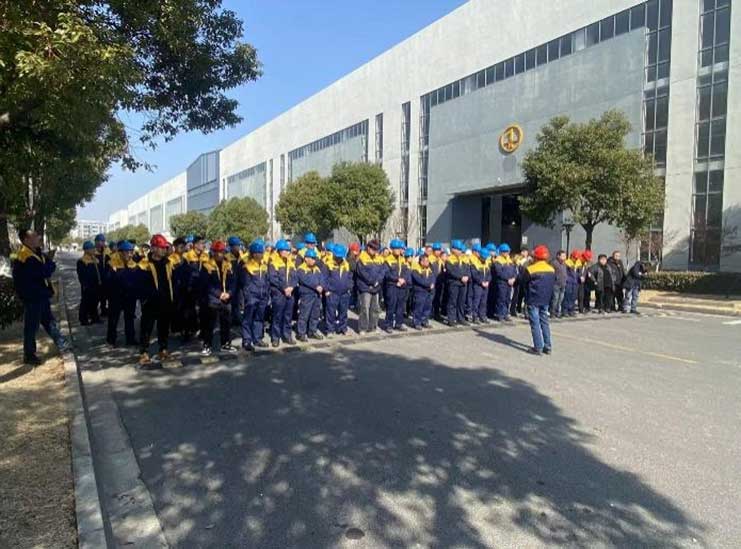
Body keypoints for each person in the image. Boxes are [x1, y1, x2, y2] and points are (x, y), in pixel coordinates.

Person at [12, 229, 69, 365]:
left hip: (41, 295)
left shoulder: (37, 253)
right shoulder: (24, 256)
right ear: (26, 240)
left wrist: (47, 267)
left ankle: (61, 343)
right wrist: (47, 267)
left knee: (49, 321)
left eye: (37, 235)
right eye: (34, 236)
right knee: (31, 327)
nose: (38, 238)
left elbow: (51, 265)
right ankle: (29, 355)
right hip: (32, 297)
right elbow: (44, 271)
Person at [135, 234, 176, 368]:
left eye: (165, 248)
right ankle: (144, 352)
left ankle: (163, 350)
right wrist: (146, 299)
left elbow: (172, 281)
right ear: (153, 248)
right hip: (150, 303)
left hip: (165, 301)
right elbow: (139, 285)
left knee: (163, 327)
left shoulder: (168, 263)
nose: (164, 250)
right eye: (161, 247)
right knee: (146, 328)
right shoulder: (144, 265)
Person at [199, 240, 236, 356]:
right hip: (213, 299)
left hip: (226, 298)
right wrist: (219, 294)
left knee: (226, 323)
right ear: (213, 252)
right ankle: (207, 345)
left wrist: (229, 293)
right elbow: (206, 284)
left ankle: (225, 344)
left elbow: (233, 282)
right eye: (217, 252)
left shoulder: (228, 265)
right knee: (209, 324)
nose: (220, 254)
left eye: (222, 252)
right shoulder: (207, 266)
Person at [521, 245, 556, 356]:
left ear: (535, 257)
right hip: (545, 299)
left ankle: (538, 347)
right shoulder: (551, 269)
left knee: (535, 323)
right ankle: (548, 346)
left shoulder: (531, 269)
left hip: (533, 299)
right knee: (544, 322)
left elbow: (523, 282)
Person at [106, 240, 138, 347]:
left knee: (129, 318)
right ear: (120, 252)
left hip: (130, 296)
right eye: (127, 252)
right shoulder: (112, 264)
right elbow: (109, 281)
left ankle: (130, 339)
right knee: (113, 319)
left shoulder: (134, 265)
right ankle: (111, 340)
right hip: (116, 296)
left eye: (131, 252)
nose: (129, 254)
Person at [239, 240, 269, 351]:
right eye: (258, 253)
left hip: (262, 296)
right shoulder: (247, 266)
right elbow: (245, 283)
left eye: (261, 253)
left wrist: (266, 294)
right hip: (252, 296)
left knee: (259, 318)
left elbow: (267, 280)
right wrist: (248, 296)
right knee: (248, 319)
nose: (260, 255)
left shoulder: (264, 265)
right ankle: (247, 340)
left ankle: (257, 339)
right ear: (253, 254)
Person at [268, 239, 297, 347]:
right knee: (277, 316)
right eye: (285, 250)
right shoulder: (273, 262)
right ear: (279, 251)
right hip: (279, 293)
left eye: (288, 250)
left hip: (290, 293)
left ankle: (287, 336)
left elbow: (295, 277)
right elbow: (273, 278)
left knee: (288, 316)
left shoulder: (290, 262)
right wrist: (284, 288)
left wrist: (291, 287)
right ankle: (275, 338)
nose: (287, 252)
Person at [295, 248, 325, 341]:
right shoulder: (301, 269)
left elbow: (322, 278)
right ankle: (301, 333)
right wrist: (316, 286)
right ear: (306, 258)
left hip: (316, 295)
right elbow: (305, 280)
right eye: (311, 258)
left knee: (315, 315)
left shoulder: (316, 269)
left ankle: (312, 331)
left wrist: (321, 286)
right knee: (304, 314)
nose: (313, 260)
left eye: (314, 258)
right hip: (307, 295)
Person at [355, 239, 384, 333]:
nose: (374, 251)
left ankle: (373, 327)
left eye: (376, 249)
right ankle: (363, 328)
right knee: (365, 308)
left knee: (375, 309)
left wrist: (378, 281)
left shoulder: (379, 258)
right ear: (368, 247)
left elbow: (382, 271)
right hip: (365, 287)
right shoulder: (362, 258)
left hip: (376, 287)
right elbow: (362, 273)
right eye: (373, 249)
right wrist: (372, 282)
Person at [325, 244, 353, 335]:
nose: (339, 259)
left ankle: (343, 328)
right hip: (332, 293)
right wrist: (327, 290)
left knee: (343, 312)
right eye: (337, 257)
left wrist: (349, 287)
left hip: (344, 293)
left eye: (341, 257)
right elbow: (324, 278)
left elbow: (350, 277)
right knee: (331, 312)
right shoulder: (328, 264)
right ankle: (330, 330)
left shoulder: (346, 264)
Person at [382, 239, 409, 333]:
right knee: (391, 306)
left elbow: (407, 271)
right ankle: (388, 325)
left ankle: (399, 323)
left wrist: (403, 279)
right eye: (396, 248)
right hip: (392, 286)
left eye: (399, 248)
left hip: (402, 285)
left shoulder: (403, 259)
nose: (398, 250)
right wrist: (397, 279)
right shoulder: (388, 260)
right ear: (392, 249)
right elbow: (387, 274)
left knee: (400, 306)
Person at [76, 241, 103, 325]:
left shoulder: (95, 260)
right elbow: (81, 275)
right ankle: (83, 319)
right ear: (86, 250)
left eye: (93, 248)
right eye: (91, 248)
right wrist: (84, 284)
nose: (93, 250)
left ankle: (95, 317)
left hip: (96, 284)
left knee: (95, 302)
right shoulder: (82, 261)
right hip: (87, 285)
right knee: (85, 302)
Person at [445, 240, 470, 326]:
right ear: (453, 249)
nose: (460, 251)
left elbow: (468, 269)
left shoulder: (464, 259)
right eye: (458, 249)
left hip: (463, 283)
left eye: (460, 249)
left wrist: (467, 276)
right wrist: (461, 277)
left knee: (461, 302)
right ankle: (451, 320)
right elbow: (451, 271)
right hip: (454, 283)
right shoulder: (449, 259)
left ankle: (460, 318)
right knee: (452, 301)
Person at [492, 243, 517, 321]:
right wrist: (508, 279)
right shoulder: (498, 261)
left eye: (507, 251)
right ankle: (500, 314)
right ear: (501, 252)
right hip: (502, 283)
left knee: (507, 299)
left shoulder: (510, 260)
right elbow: (499, 273)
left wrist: (514, 278)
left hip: (510, 283)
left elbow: (514, 271)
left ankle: (505, 314)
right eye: (505, 251)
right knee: (501, 299)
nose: (507, 253)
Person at [411, 252, 435, 329]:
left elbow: (433, 277)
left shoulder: (429, 269)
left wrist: (432, 283)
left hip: (428, 291)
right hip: (420, 291)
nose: (428, 262)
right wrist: (429, 284)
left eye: (428, 261)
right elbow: (419, 280)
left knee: (427, 307)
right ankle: (416, 322)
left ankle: (424, 321)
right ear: (421, 262)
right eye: (426, 261)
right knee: (418, 307)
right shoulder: (416, 270)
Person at [469, 244, 491, 324]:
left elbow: (489, 274)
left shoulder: (486, 263)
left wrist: (488, 281)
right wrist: (481, 282)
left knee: (483, 302)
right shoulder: (475, 263)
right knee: (476, 301)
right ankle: (475, 317)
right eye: (483, 257)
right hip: (478, 285)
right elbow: (474, 275)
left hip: (485, 285)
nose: (484, 259)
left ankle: (482, 316)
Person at [226, 236, 244, 326]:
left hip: (239, 282)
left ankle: (236, 318)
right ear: (231, 247)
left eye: (238, 245)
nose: (237, 248)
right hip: (230, 282)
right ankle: (231, 319)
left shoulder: (242, 256)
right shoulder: (227, 257)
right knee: (231, 302)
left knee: (238, 301)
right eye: (235, 246)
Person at [510, 248, 532, 317]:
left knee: (522, 296)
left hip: (523, 280)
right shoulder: (519, 260)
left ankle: (519, 310)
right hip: (518, 280)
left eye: (525, 252)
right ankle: (515, 309)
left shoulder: (529, 260)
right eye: (523, 252)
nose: (524, 253)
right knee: (516, 296)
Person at [93, 233, 110, 316]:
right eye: (99, 241)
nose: (101, 243)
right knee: (95, 298)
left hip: (104, 278)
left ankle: (103, 311)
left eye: (103, 241)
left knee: (104, 296)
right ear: (95, 242)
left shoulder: (106, 252)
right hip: (95, 278)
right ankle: (94, 315)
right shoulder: (92, 252)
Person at [563, 250, 581, 317]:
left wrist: (580, 277)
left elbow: (579, 273)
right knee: (567, 297)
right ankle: (565, 310)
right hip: (569, 283)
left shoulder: (578, 264)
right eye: (575, 258)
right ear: (571, 257)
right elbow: (565, 273)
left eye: (577, 258)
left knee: (573, 297)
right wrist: (568, 279)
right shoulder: (567, 263)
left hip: (575, 282)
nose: (576, 259)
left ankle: (571, 310)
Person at [549, 250, 567, 318]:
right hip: (556, 284)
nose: (564, 257)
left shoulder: (564, 264)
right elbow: (551, 273)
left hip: (563, 283)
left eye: (565, 256)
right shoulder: (554, 263)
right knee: (555, 299)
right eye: (563, 256)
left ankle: (558, 312)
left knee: (560, 299)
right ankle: (552, 312)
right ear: (558, 256)